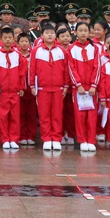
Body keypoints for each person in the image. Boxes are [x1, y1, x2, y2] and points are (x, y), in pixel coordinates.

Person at [29, 23, 68, 151]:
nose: (50, 35)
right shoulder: (36, 51)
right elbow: (32, 69)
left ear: (56, 35)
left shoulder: (62, 51)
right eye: (47, 33)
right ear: (42, 36)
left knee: (57, 114)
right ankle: (46, 138)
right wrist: (32, 85)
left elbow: (66, 69)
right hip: (42, 88)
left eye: (52, 33)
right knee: (44, 115)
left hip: (58, 88)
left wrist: (66, 84)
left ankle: (56, 138)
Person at [0, 27, 26, 151]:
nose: (7, 40)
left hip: (15, 91)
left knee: (15, 116)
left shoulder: (18, 55)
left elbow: (22, 73)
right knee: (3, 116)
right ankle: (5, 139)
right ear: (0, 39)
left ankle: (14, 139)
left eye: (9, 38)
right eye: (5, 38)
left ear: (13, 39)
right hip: (3, 91)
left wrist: (21, 87)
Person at [68, 22, 100, 152]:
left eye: (85, 30)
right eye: (80, 30)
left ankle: (91, 140)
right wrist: (78, 85)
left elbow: (97, 67)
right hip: (79, 88)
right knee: (80, 115)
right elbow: (71, 68)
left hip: (92, 88)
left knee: (92, 115)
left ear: (89, 33)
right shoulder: (71, 49)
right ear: (75, 32)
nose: (83, 33)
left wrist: (94, 85)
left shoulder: (94, 48)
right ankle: (82, 140)